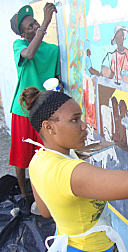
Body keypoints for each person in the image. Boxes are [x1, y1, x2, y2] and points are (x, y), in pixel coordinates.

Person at [19, 81, 128, 251]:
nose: (84, 125)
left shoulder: (37, 160)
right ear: (49, 127)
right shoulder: (70, 172)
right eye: (74, 120)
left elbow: (46, 212)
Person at [9, 3, 61, 214]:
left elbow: (57, 78)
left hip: (43, 112)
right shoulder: (19, 47)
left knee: (44, 156)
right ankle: (23, 194)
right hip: (22, 111)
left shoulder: (53, 50)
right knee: (22, 156)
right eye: (30, 26)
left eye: (35, 22)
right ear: (23, 34)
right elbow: (29, 54)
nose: (35, 26)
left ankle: (44, 195)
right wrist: (46, 24)